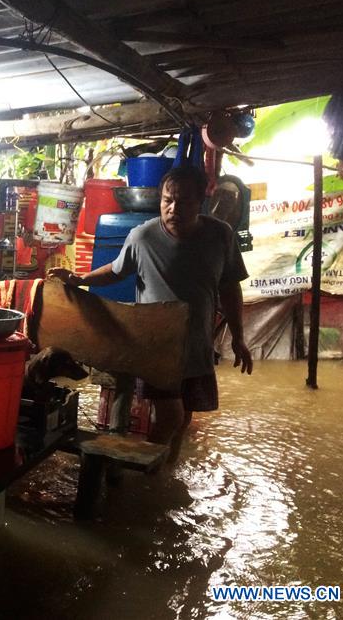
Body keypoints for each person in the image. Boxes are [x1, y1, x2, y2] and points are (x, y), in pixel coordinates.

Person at [47, 165, 253, 462]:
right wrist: (80, 279)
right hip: (155, 346)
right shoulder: (142, 236)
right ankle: (148, 470)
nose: (173, 208)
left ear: (200, 202)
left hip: (196, 345)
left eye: (183, 201)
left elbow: (230, 287)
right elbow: (116, 271)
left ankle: (168, 471)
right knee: (170, 415)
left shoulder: (220, 236)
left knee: (184, 418)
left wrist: (238, 337)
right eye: (167, 199)